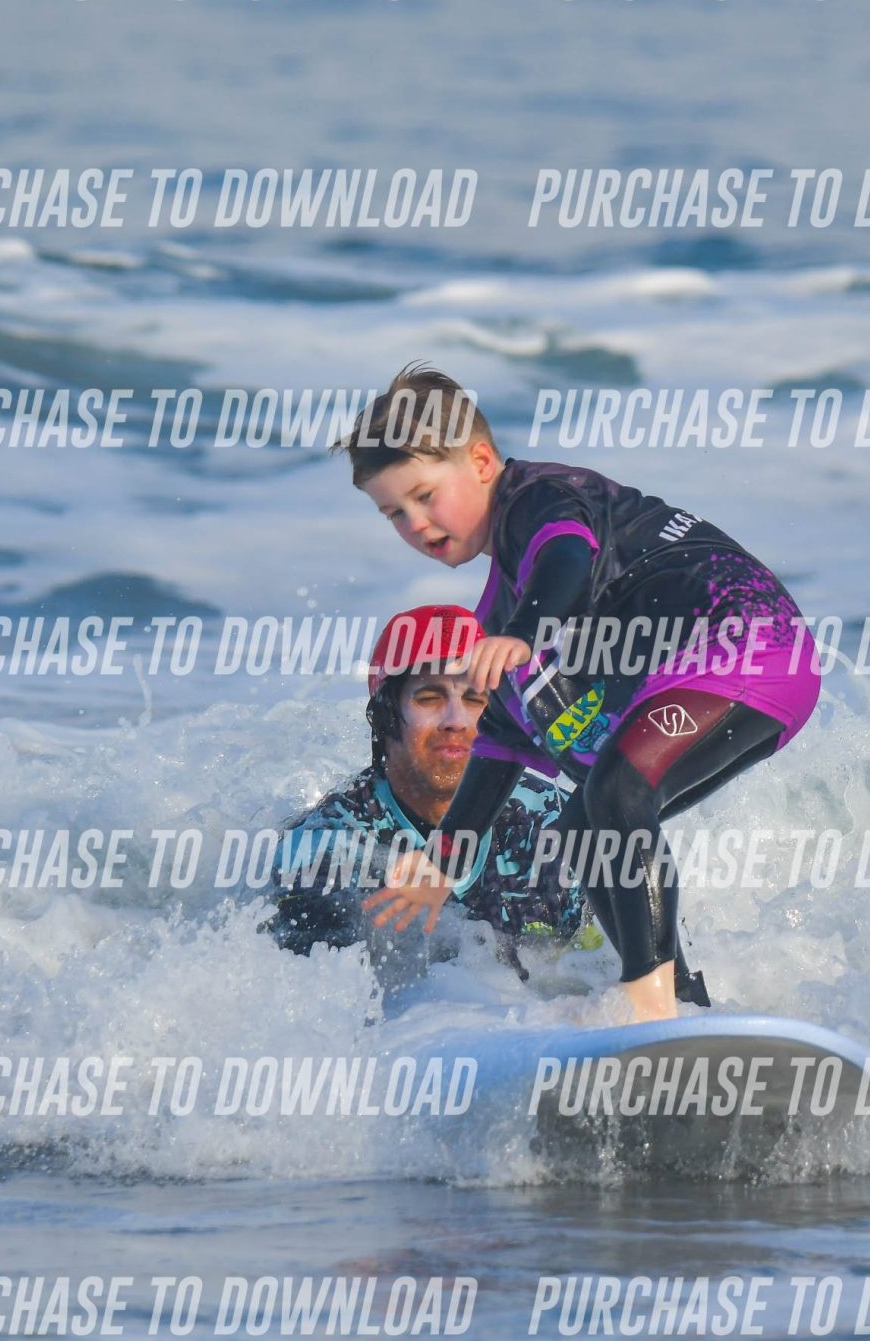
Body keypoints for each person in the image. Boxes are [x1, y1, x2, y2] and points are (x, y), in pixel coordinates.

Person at [346, 364, 820, 1024]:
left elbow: (565, 556)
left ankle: (648, 998)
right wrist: (443, 860)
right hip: (717, 677)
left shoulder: (539, 499)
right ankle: (683, 1004)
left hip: (748, 642)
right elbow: (497, 750)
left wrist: (524, 632)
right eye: (395, 513)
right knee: (583, 828)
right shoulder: (501, 611)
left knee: (617, 792)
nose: (416, 523)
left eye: (425, 495)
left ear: (480, 462)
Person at [267, 604, 588, 974]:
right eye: (430, 698)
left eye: (475, 699)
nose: (456, 721)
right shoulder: (325, 850)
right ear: (386, 716)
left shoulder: (551, 825)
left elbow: (603, 972)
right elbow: (315, 998)